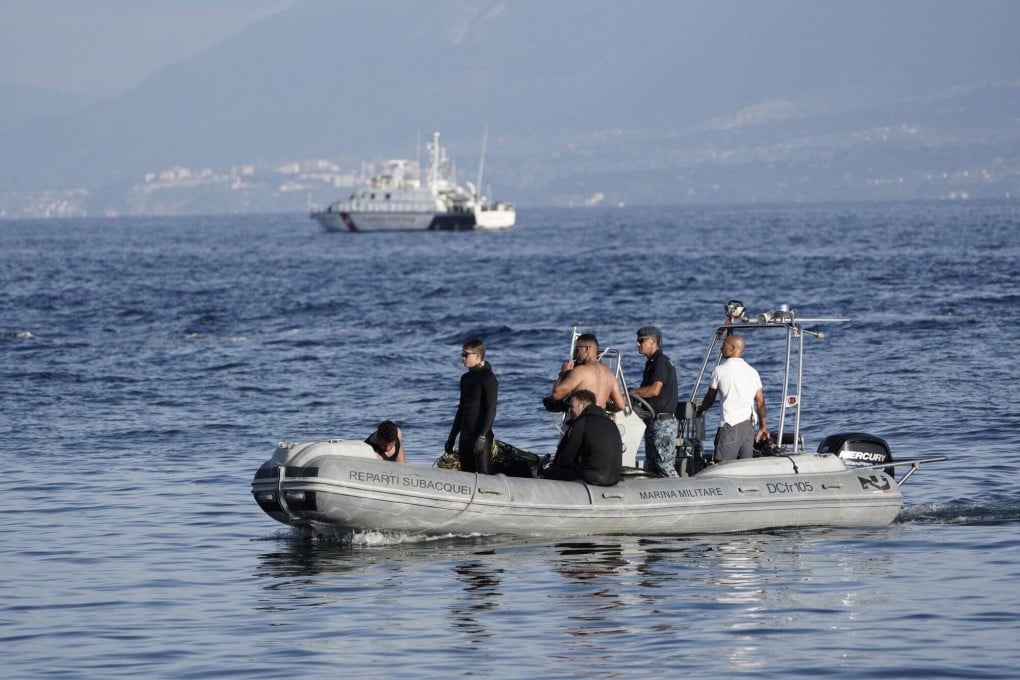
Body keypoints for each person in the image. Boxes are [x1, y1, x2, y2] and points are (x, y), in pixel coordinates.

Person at [696, 334, 768, 462]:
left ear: (733, 348)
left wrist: (700, 409)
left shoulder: (720, 370)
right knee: (744, 467)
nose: (721, 349)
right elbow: (760, 402)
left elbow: (710, 397)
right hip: (748, 428)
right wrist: (763, 427)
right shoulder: (752, 372)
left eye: (724, 346)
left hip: (730, 426)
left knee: (722, 466)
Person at [630, 325, 680, 478]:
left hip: (662, 423)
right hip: (653, 421)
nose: (637, 344)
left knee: (664, 465)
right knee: (653, 467)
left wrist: (631, 393)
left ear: (652, 341)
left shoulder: (660, 362)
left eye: (641, 341)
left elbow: (654, 390)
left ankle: (680, 493)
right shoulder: (652, 362)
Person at [544, 389, 622, 486]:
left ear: (583, 405)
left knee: (550, 472)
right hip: (614, 479)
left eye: (572, 406)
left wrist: (551, 469)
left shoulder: (580, 423)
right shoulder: (610, 423)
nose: (569, 410)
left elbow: (565, 459)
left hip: (594, 478)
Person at [445, 338, 499, 474]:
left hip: (480, 438)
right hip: (465, 437)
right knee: (466, 475)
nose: (462, 358)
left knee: (483, 475)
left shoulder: (488, 378)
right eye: (462, 354)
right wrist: (452, 436)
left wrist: (482, 436)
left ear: (478, 356)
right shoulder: (465, 379)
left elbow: (490, 409)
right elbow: (461, 410)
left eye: (465, 354)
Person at [547, 333, 626, 411]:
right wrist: (602, 407)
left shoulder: (580, 371)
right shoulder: (609, 374)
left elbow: (556, 395)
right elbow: (621, 406)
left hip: (584, 420)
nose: (576, 354)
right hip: (602, 418)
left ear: (586, 349)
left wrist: (563, 373)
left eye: (577, 350)